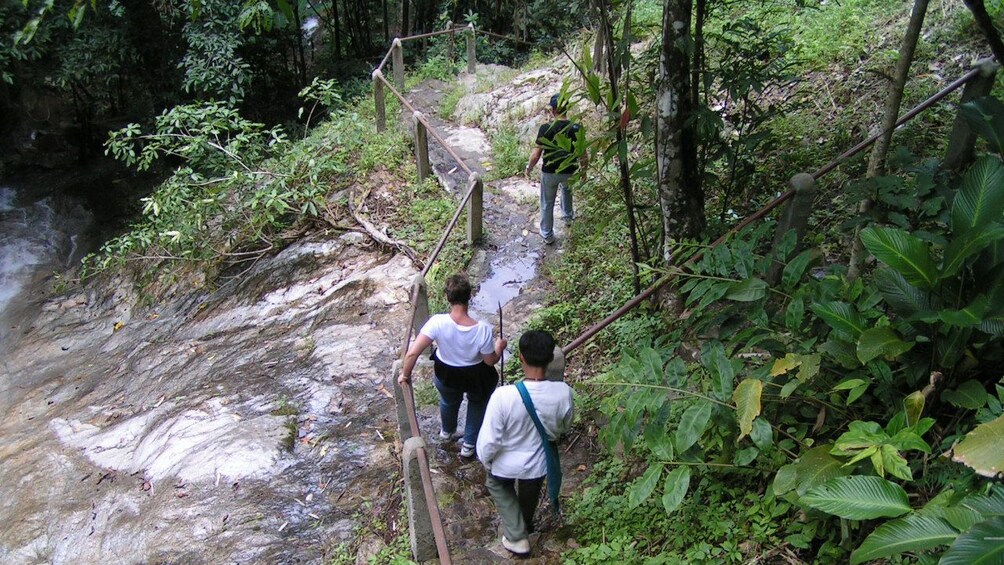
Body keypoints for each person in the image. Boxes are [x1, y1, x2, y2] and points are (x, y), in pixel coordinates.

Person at [476, 330, 574, 556]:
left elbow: (489, 440)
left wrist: (487, 461)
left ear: (520, 357)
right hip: (538, 463)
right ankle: (526, 524)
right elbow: (562, 428)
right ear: (551, 358)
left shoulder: (503, 395)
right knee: (530, 488)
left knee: (497, 484)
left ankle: (517, 536)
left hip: (504, 464)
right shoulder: (564, 393)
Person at [398, 274, 507, 458]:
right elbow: (490, 361)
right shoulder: (482, 329)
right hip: (477, 376)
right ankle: (469, 445)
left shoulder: (437, 322)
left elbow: (412, 353)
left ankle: (446, 432)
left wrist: (405, 375)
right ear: (470, 296)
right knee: (477, 404)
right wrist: (499, 347)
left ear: (448, 297)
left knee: (448, 401)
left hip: (446, 373)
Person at [524, 93, 588, 245]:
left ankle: (547, 234)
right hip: (570, 171)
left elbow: (536, 155)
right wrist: (584, 171)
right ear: (567, 108)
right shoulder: (576, 127)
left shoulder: (546, 128)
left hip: (550, 172)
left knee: (547, 202)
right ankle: (567, 217)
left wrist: (529, 168)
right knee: (567, 191)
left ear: (553, 110)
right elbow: (583, 153)